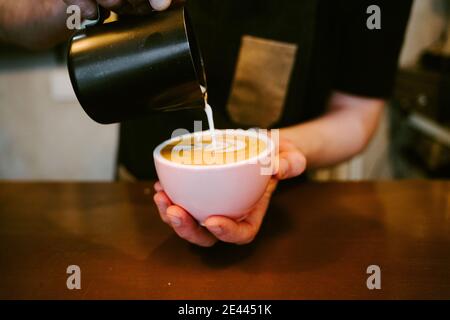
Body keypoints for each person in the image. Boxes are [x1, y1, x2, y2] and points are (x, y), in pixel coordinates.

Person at [0, 0, 412, 247]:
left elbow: (357, 115)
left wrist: (267, 156)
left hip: (288, 208)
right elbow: (13, 18)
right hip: (142, 201)